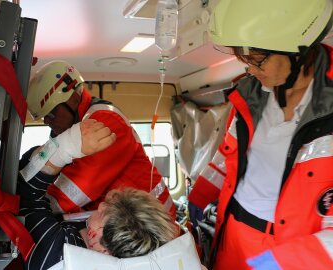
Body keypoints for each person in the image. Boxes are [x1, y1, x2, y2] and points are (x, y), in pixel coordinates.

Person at [188, 0, 333, 269]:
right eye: (244, 60)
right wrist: (197, 198)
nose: (250, 71)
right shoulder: (249, 97)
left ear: (298, 50)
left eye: (256, 60)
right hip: (232, 235)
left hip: (294, 252)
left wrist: (290, 261)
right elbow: (227, 159)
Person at [23, 60, 175, 217]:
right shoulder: (74, 128)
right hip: (132, 219)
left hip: (155, 224)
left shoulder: (104, 123)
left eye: (51, 114)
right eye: (44, 118)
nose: (47, 121)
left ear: (73, 97)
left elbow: (70, 194)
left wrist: (28, 206)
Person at [17, 126, 178, 269]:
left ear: (105, 250)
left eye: (103, 212)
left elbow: (25, 195)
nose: (100, 207)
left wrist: (62, 149)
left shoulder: (56, 256)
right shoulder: (98, 246)